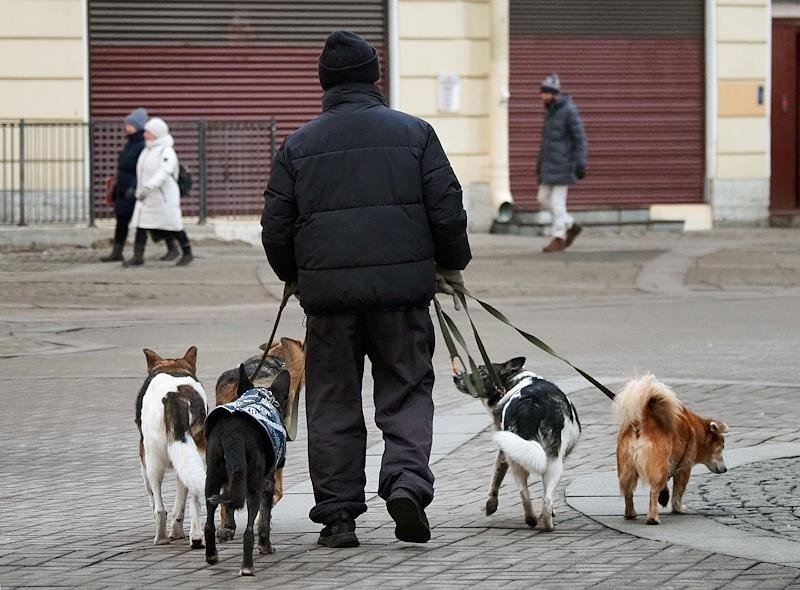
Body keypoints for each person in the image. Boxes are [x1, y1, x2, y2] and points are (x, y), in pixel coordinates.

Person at [261, 30, 471, 548]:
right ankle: (405, 484)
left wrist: (297, 275)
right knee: (405, 392)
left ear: (324, 83)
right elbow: (447, 209)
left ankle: (337, 519)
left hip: (329, 304)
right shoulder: (416, 134)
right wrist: (451, 264)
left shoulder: (298, 145)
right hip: (403, 296)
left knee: (332, 403)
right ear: (374, 77)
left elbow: (275, 226)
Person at [128, 117, 194, 267]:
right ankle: (138, 257)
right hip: (148, 198)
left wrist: (149, 186)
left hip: (164, 198)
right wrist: (138, 189)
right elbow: (141, 173)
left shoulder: (166, 151)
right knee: (142, 225)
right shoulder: (147, 150)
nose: (145, 134)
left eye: (148, 132)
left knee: (174, 225)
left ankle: (187, 252)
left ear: (157, 133)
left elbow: (164, 172)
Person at [536, 73, 588, 253]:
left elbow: (580, 138)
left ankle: (558, 237)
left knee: (557, 203)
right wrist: (539, 165)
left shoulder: (568, 110)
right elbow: (546, 143)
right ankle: (571, 224)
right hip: (549, 165)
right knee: (542, 199)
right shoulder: (550, 112)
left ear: (553, 92)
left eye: (545, 92)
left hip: (564, 165)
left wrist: (580, 163)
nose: (542, 95)